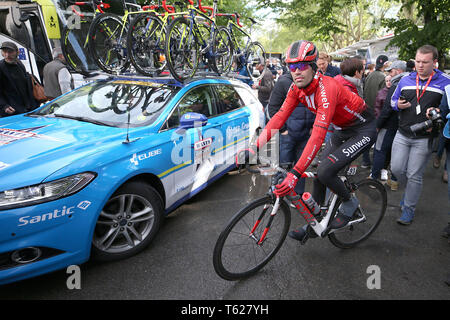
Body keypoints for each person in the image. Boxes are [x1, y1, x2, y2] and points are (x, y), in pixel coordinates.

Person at [237, 40, 377, 242]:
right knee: (321, 173)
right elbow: (278, 118)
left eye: (302, 66)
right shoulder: (296, 89)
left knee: (325, 171)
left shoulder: (326, 88)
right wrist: (253, 148)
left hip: (363, 129)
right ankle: (316, 222)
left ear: (313, 67)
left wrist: (295, 174)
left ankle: (349, 203)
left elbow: (318, 135)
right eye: (291, 67)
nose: (296, 71)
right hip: (341, 130)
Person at [390, 44, 450, 225]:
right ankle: (410, 193)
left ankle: (408, 209)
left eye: (425, 62)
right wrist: (397, 105)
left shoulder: (446, 83)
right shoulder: (405, 80)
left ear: (435, 63)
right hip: (402, 133)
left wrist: (438, 111)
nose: (420, 65)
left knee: (415, 175)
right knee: (397, 169)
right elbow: (392, 100)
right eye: (417, 61)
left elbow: (447, 109)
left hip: (424, 137)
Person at [267, 69, 315, 197]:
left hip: (306, 134)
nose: (299, 70)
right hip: (288, 135)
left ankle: (296, 196)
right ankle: (278, 195)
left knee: (301, 167)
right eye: (295, 66)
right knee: (284, 167)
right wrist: (283, 129)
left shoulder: (313, 81)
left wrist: (313, 127)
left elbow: (319, 105)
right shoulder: (283, 82)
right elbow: (272, 108)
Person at [371, 60, 408, 188]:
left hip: (389, 125)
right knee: (397, 154)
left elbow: (387, 109)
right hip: (404, 126)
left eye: (391, 71)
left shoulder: (396, 85)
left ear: (398, 71)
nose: (390, 74)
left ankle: (373, 178)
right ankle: (394, 181)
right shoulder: (411, 83)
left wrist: (378, 125)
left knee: (380, 150)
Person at [361, 54, 389, 168]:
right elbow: (383, 97)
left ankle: (365, 161)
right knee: (377, 140)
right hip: (377, 112)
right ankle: (375, 166)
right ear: (385, 64)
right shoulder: (384, 77)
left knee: (367, 137)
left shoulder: (369, 75)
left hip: (367, 110)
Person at [0, 41, 39, 117]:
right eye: (4, 52)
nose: (7, 55)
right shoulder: (1, 67)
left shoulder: (19, 64)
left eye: (10, 52)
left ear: (18, 52)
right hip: (12, 110)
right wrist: (4, 106)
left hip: (27, 108)